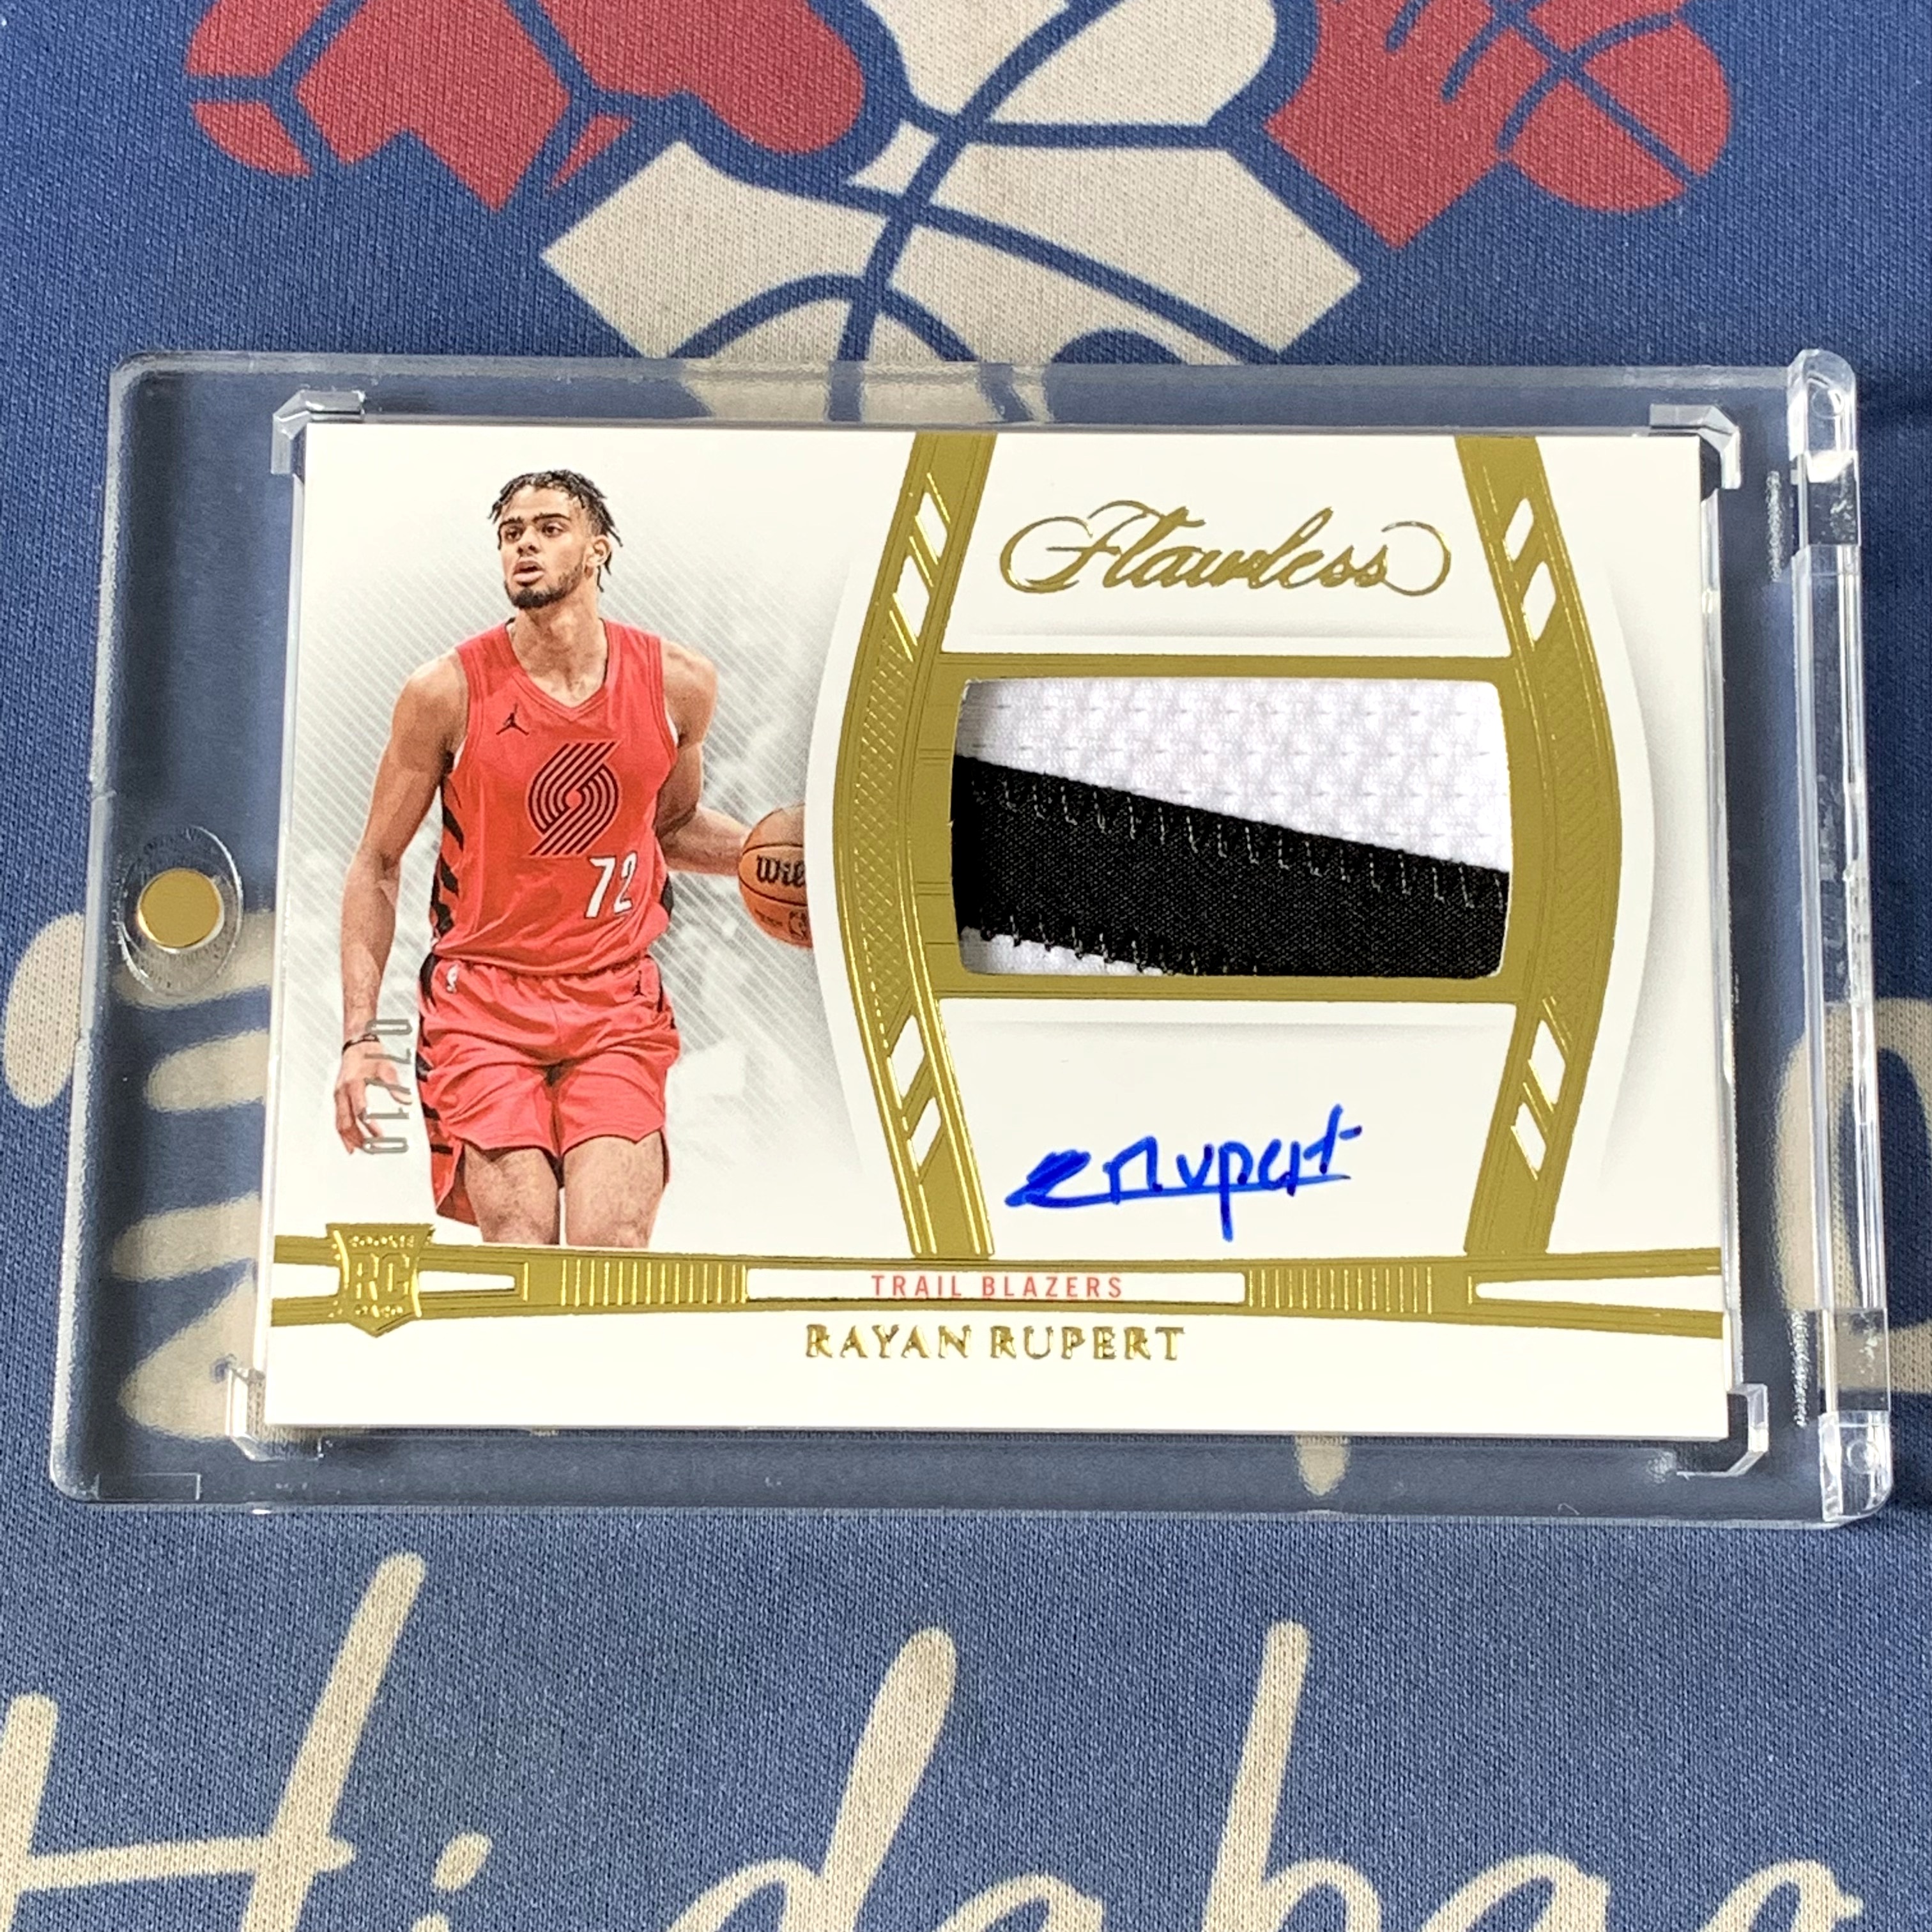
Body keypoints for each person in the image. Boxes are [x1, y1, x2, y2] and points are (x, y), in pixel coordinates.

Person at [332, 469, 747, 1246]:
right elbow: (376, 864)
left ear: (598, 549)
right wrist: (360, 1036)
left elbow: (672, 825)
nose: (525, 545)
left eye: (550, 528)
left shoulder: (679, 683)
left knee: (611, 1246)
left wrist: (776, 859)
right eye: (510, 533)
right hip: (484, 1004)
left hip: (613, 1000)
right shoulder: (444, 692)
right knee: (521, 1245)